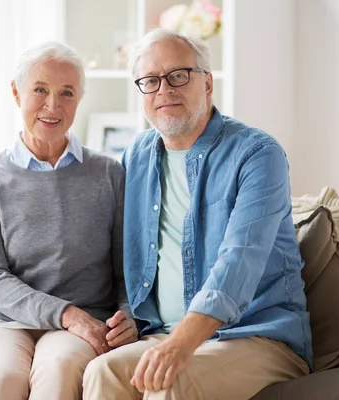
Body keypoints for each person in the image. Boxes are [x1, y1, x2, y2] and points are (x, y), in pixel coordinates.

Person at [83, 28, 312, 400]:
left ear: (207, 84)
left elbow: (239, 261)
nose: (164, 90)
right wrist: (128, 313)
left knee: (169, 384)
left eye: (178, 76)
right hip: (162, 332)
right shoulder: (136, 156)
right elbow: (127, 255)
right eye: (150, 81)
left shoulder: (257, 155)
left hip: (256, 335)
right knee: (101, 372)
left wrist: (181, 344)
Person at [0, 41, 138, 400]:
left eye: (66, 93)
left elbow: (126, 268)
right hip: (1, 321)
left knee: (58, 373)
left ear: (79, 100)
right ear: (16, 92)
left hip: (84, 323)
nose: (52, 106)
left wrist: (127, 316)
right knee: (1, 380)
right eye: (40, 89)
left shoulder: (110, 174)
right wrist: (66, 314)